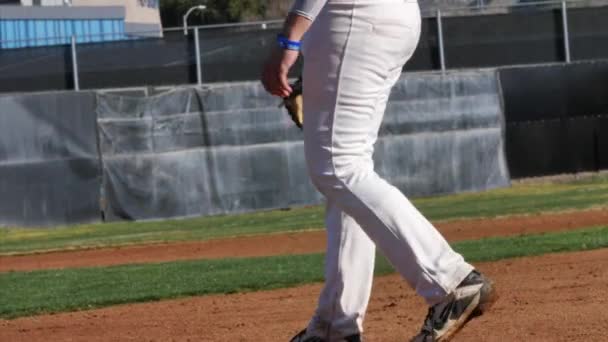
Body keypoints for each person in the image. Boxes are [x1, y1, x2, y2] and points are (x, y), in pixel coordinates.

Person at [261, 1, 496, 341]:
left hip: (354, 17)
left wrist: (290, 39)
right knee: (346, 173)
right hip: (380, 19)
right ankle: (334, 327)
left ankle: (451, 281)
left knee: (337, 167)